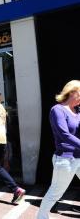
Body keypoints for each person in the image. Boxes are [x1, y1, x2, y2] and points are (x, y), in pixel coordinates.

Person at [37, 80, 80, 219]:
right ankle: (41, 217)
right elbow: (64, 135)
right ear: (72, 92)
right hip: (66, 158)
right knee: (56, 192)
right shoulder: (58, 110)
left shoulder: (78, 111)